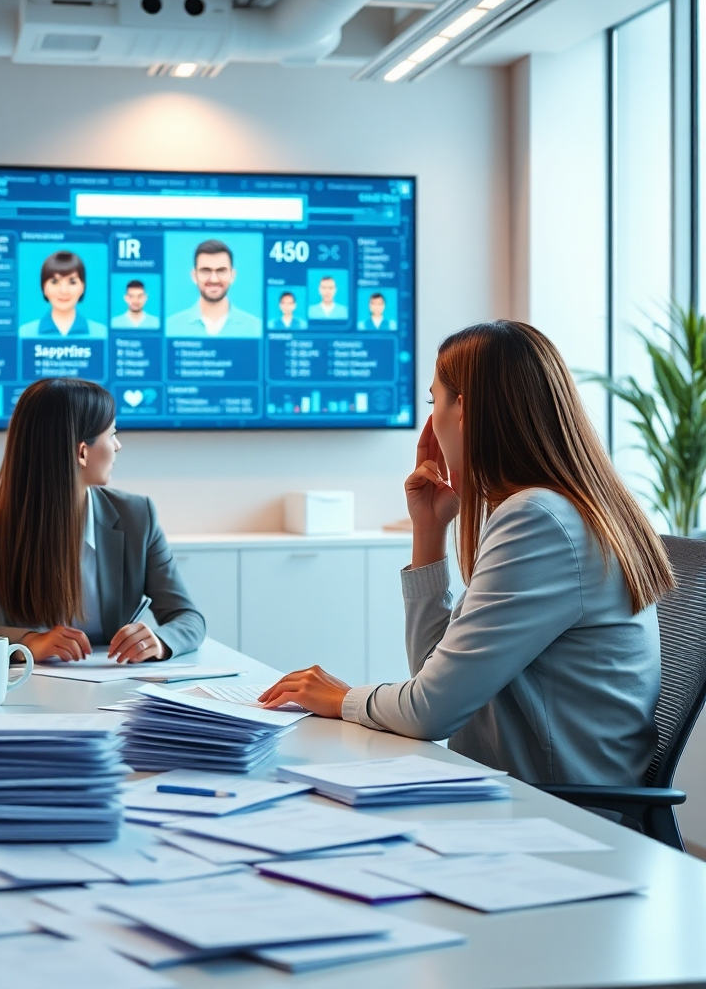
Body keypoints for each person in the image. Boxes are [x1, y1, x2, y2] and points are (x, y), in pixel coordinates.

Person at [259, 321, 671, 785]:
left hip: (552, 809)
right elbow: (436, 678)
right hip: (526, 793)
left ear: (463, 410)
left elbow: (429, 712)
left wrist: (343, 699)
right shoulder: (561, 509)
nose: (431, 422)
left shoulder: (538, 518)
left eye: (433, 402)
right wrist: (428, 529)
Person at [0, 378, 205, 663]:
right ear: (82, 452)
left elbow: (187, 617)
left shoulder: (137, 516)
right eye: (111, 434)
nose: (117, 446)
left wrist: (158, 642)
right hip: (25, 682)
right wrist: (29, 642)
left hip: (117, 680)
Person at [165, 239, 262, 338]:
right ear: (194, 276)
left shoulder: (256, 329)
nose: (214, 279)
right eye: (205, 271)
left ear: (232, 276)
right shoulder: (170, 328)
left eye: (221, 271)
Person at [19, 251, 108, 338]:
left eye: (72, 282)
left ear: (82, 287)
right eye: (55, 282)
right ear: (44, 288)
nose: (64, 291)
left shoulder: (102, 334)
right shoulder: (24, 334)